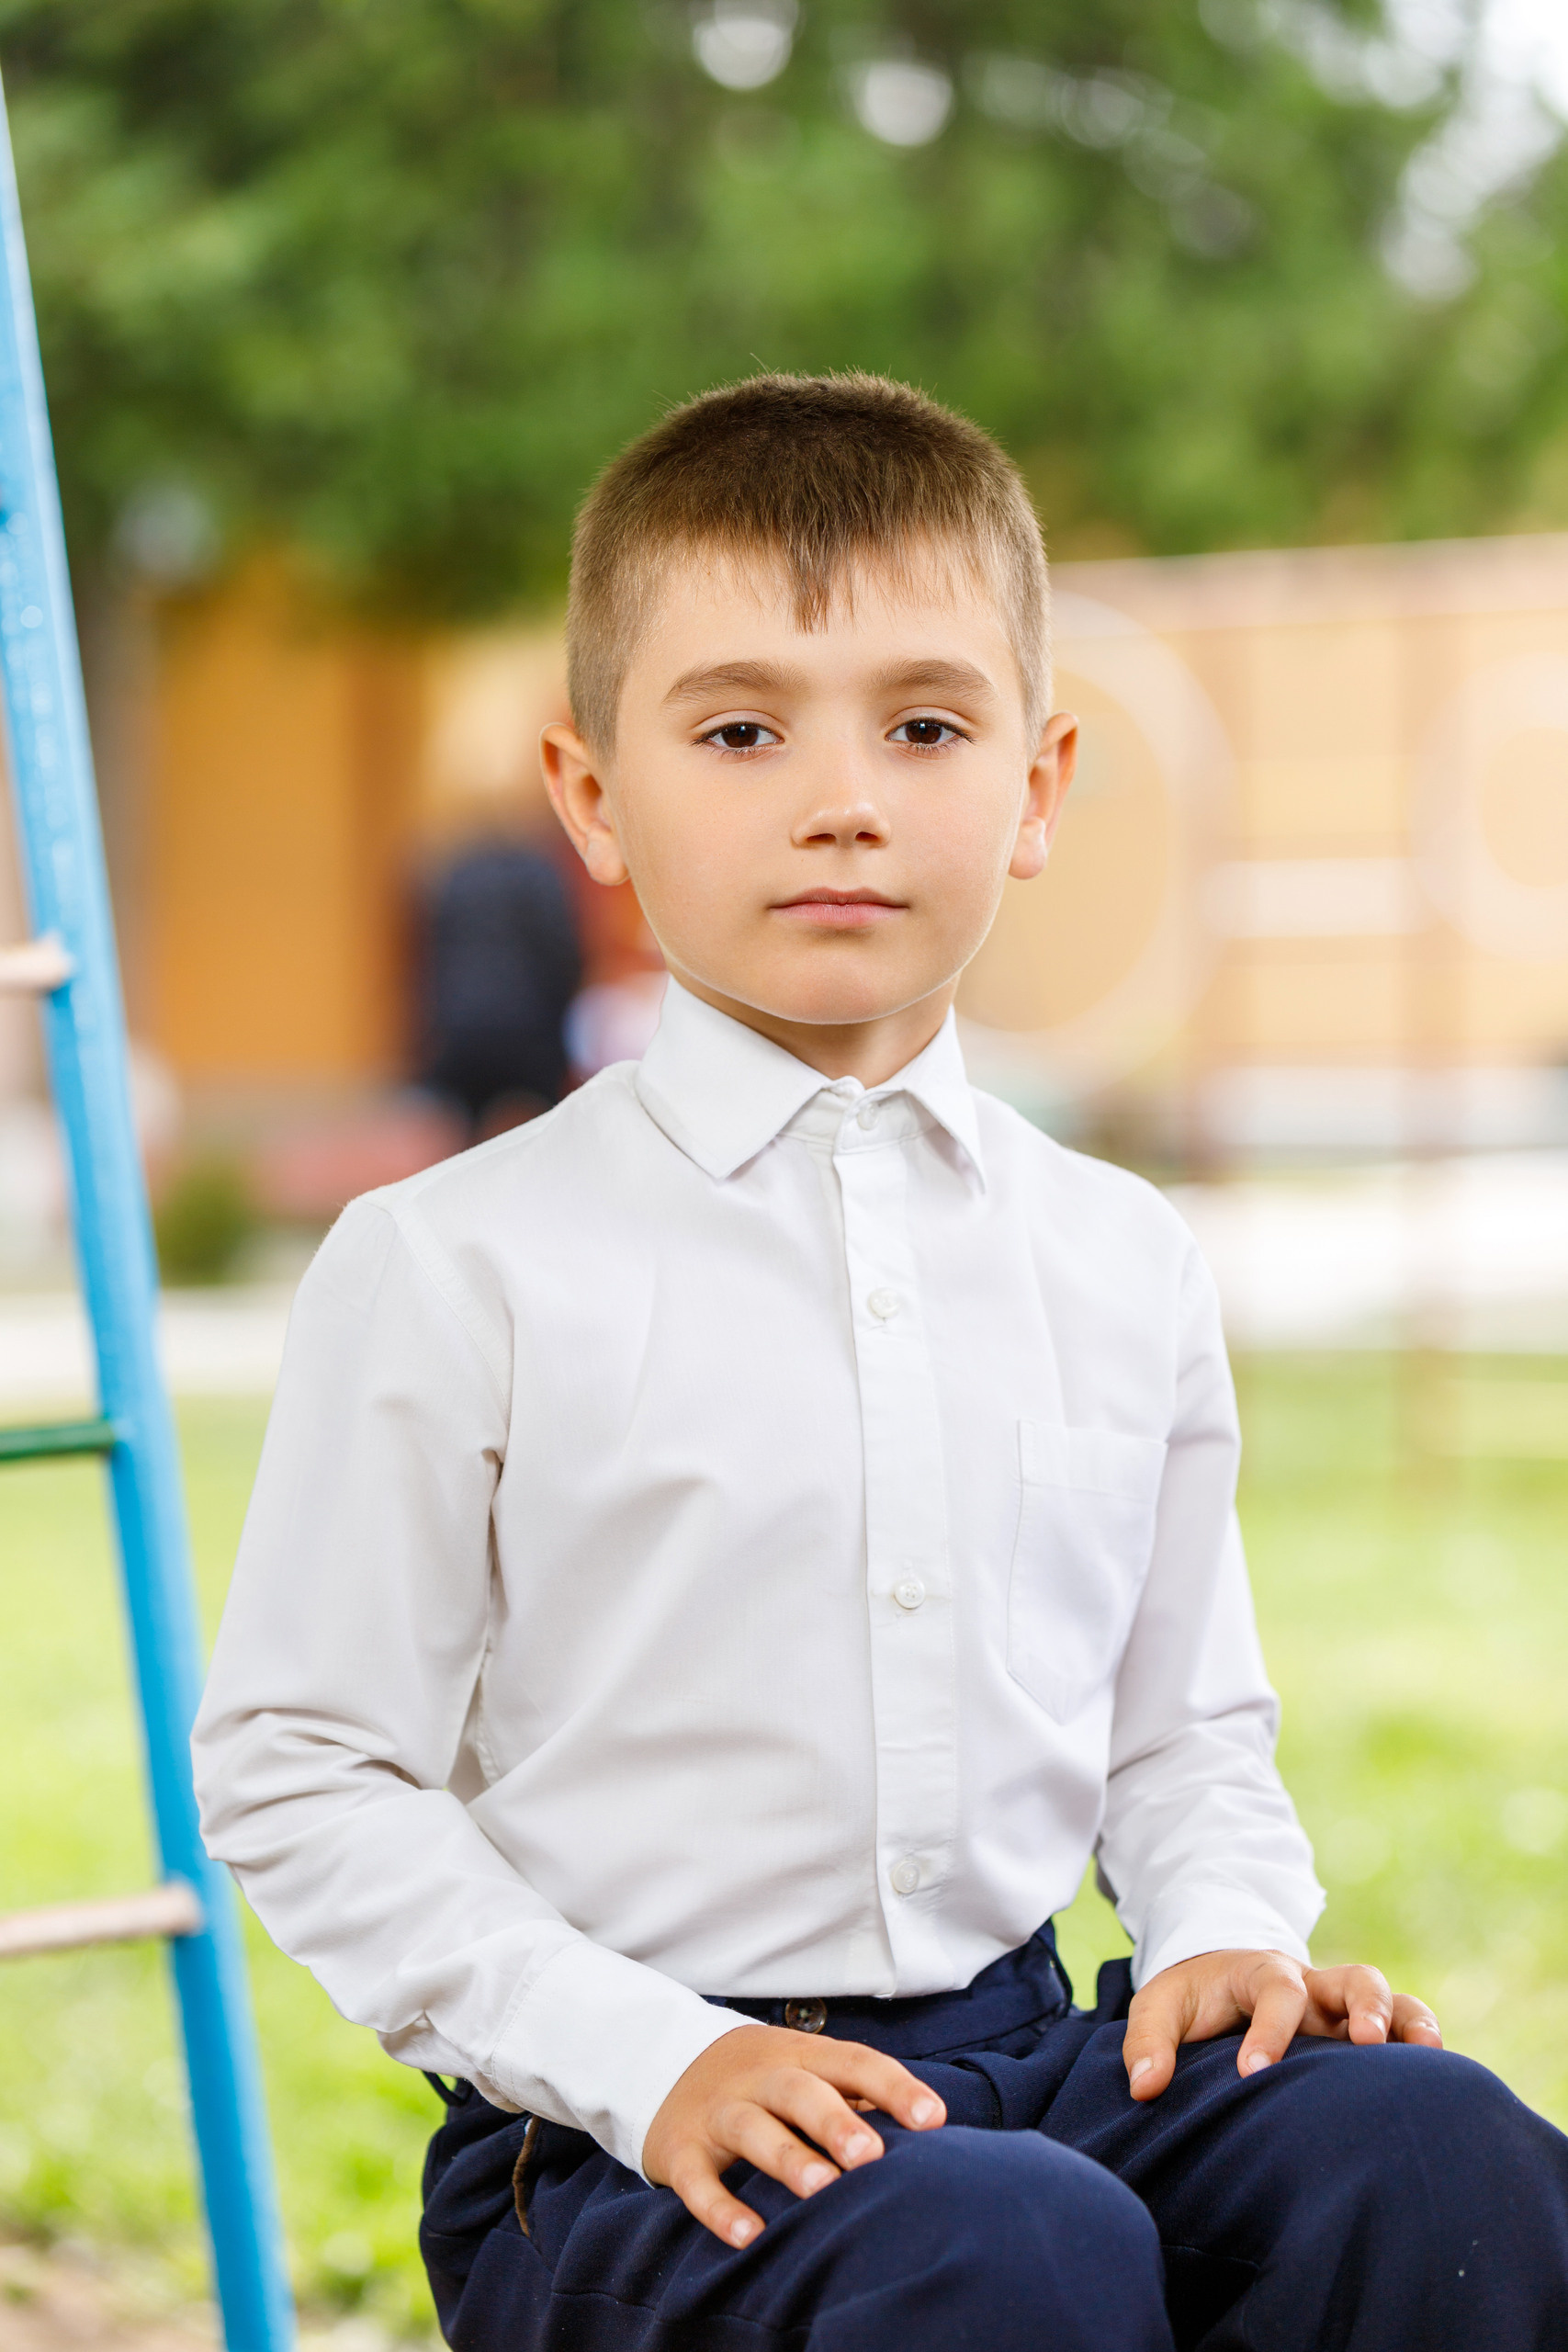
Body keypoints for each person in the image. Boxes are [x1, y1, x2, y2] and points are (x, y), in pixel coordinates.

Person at [191, 375, 1568, 2351]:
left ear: (1035, 785)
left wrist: (1222, 1933)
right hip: (631, 2132)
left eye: (924, 724)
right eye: (740, 728)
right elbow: (305, 1764)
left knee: (1429, 2153)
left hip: (1037, 2048)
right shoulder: (452, 1262)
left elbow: (1177, 1729)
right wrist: (646, 2053)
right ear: (592, 794)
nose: (840, 796)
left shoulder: (1115, 1252)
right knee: (999, 2252)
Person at [415, 833, 582, 1136]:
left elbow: (430, 954)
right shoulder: (541, 875)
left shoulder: (454, 875)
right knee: (546, 1124)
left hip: (463, 1026)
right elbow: (563, 951)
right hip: (529, 1027)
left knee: (468, 1131)